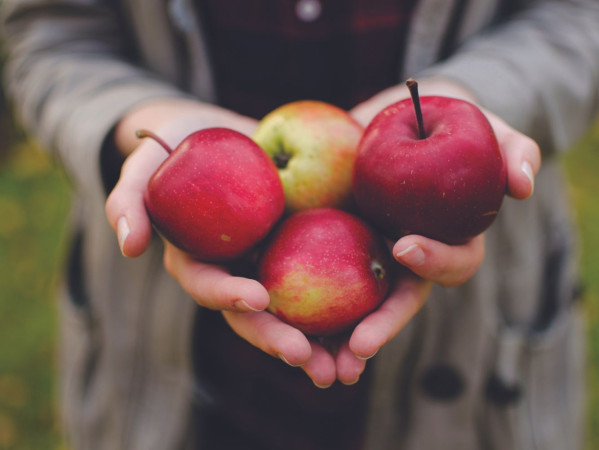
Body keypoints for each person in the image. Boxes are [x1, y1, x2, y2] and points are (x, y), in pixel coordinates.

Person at [2, 0, 598, 448]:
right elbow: (49, 32)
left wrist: (476, 93)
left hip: (472, 349)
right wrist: (134, 118)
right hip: (176, 362)